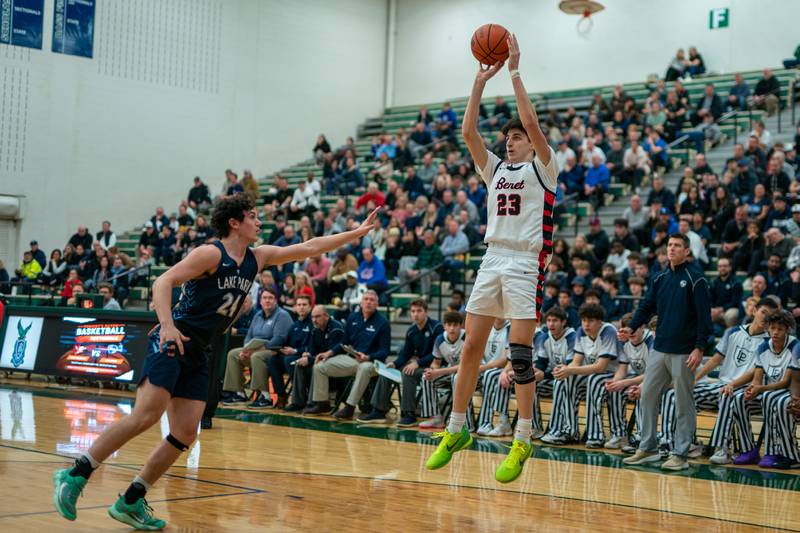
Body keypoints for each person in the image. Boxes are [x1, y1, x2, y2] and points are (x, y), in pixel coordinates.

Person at [53, 195, 379, 528]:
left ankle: (132, 499)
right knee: (147, 414)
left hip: (201, 349)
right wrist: (166, 325)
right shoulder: (211, 253)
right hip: (174, 339)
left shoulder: (257, 257)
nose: (259, 221)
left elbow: (310, 247)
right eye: (252, 216)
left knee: (184, 433)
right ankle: (75, 474)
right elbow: (163, 281)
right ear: (234, 223)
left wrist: (358, 232)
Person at [423, 35, 559, 484]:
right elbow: (468, 132)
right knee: (470, 350)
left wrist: (515, 69)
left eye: (516, 138)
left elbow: (532, 122)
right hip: (493, 258)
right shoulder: (495, 170)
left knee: (519, 355)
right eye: (507, 139)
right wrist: (479, 82)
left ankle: (523, 438)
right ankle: (456, 429)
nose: (510, 142)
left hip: (526, 262)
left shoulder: (544, 166)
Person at [620, 233, 712, 471]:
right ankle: (648, 448)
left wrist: (700, 348)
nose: (672, 249)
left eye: (677, 246)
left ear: (687, 251)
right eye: (670, 245)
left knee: (683, 403)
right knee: (647, 396)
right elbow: (647, 306)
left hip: (685, 352)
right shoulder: (660, 277)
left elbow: (705, 319)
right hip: (659, 349)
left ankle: (680, 454)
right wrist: (631, 326)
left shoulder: (697, 279)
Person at [673, 298, 773, 464]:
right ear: (754, 310)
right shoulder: (733, 332)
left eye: (770, 317)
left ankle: (722, 449)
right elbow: (714, 360)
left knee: (727, 395)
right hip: (720, 385)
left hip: (744, 388)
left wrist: (732, 385)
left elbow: (754, 371)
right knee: (684, 393)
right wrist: (694, 380)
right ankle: (687, 443)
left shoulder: (768, 342)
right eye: (763, 312)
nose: (765, 318)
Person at [541, 304, 623, 448]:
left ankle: (596, 435)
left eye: (590, 321)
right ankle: (569, 431)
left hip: (612, 375)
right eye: (584, 320)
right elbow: (576, 361)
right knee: (561, 380)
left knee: (593, 380)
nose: (586, 324)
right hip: (591, 374)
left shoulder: (608, 330)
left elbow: (601, 367)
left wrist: (570, 370)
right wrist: (565, 369)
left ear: (600, 321)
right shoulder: (581, 331)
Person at [303, 290, 390, 419]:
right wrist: (329, 353)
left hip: (373, 363)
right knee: (319, 366)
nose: (368, 302)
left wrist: (368, 357)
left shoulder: (383, 323)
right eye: (366, 299)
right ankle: (322, 404)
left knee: (364, 368)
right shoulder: (353, 318)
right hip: (352, 359)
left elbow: (384, 352)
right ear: (361, 303)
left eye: (372, 300)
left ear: (377, 304)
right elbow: (344, 343)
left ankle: (349, 407)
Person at [357, 299, 443, 425]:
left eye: (419, 311)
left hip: (436, 366)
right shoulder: (411, 330)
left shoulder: (436, 327)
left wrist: (417, 363)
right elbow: (406, 354)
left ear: (426, 312)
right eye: (413, 311)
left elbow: (437, 353)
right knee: (387, 371)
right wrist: (395, 364)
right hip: (419, 365)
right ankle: (379, 411)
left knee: (408, 372)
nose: (415, 314)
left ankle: (409, 413)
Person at [730, 310, 796, 467]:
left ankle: (772, 451)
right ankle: (748, 450)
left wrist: (761, 389)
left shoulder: (795, 346)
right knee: (739, 399)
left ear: (787, 329)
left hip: (787, 391)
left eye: (780, 329)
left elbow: (786, 381)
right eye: (772, 328)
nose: (775, 332)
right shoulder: (762, 347)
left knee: (770, 398)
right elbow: (757, 378)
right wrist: (752, 389)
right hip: (767, 390)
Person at [221, 287, 293, 408]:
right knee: (233, 354)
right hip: (255, 350)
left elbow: (279, 339)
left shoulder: (282, 315)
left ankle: (265, 397)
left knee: (257, 356)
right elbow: (249, 336)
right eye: (265, 298)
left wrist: (256, 350)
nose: (267, 301)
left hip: (276, 352)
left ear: (276, 301)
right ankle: (240, 393)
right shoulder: (258, 315)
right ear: (260, 301)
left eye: (271, 298)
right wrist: (245, 349)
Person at [605, 313, 655, 454]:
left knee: (641, 391)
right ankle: (619, 435)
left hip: (656, 378)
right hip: (639, 377)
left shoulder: (651, 340)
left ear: (642, 327)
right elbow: (622, 368)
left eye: (634, 329)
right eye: (628, 330)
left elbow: (652, 374)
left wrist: (624, 382)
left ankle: (641, 437)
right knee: (615, 389)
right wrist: (615, 382)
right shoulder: (624, 342)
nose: (631, 333)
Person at [284, 305, 344, 412]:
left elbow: (331, 354)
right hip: (320, 360)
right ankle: (298, 402)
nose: (314, 320)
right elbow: (313, 350)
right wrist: (308, 355)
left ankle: (313, 402)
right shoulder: (315, 329)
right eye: (312, 317)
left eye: (317, 317)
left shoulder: (336, 329)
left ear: (326, 316)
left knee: (314, 366)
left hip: (333, 364)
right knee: (299, 364)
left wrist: (310, 360)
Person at [530, 307, 576, 439]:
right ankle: (535, 427)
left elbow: (570, 369)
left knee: (560, 382)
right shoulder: (545, 337)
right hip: (554, 377)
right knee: (530, 384)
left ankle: (556, 429)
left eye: (555, 321)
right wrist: (536, 371)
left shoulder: (572, 337)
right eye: (549, 320)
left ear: (563, 322)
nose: (551, 324)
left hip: (573, 379)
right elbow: (541, 364)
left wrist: (544, 375)